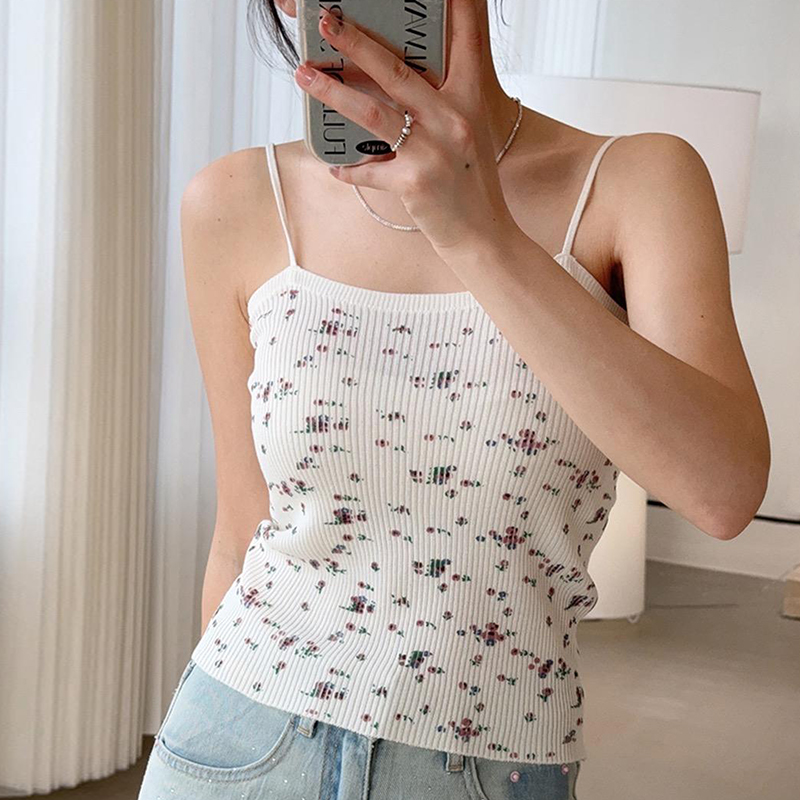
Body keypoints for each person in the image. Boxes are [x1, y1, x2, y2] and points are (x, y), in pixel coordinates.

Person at [138, 0, 770, 797]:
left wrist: (480, 233)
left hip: (486, 764)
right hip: (236, 737)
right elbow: (241, 530)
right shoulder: (235, 198)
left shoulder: (636, 182)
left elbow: (722, 494)